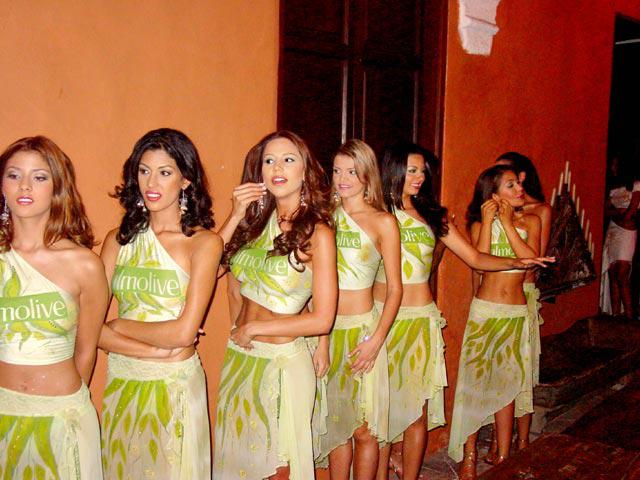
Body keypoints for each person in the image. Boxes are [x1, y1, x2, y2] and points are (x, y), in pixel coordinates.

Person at [374, 144, 550, 480]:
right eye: (412, 170)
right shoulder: (376, 214)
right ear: (393, 170)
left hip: (420, 319)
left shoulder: (433, 216)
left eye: (423, 171)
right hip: (382, 317)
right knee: (380, 410)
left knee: (417, 411)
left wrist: (517, 261)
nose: (420, 177)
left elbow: (475, 258)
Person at [213, 130, 337, 480]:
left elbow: (322, 319)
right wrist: (235, 215)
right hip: (242, 357)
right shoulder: (253, 225)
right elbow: (211, 271)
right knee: (242, 460)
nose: (277, 167)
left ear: (305, 172)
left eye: (288, 159)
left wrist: (255, 327)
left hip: (282, 364)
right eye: (269, 161)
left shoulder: (318, 233)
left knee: (278, 467)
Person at [99, 128, 221, 479]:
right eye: (144, 170)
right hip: (123, 381)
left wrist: (118, 326)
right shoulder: (117, 241)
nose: (151, 183)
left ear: (185, 180)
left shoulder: (203, 243)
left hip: (174, 387)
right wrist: (153, 350)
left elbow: (184, 332)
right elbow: (88, 328)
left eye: (164, 172)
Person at [0, 136, 108, 478]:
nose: (25, 186)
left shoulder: (84, 264)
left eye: (39, 176)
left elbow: (86, 351)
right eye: (14, 175)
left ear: (57, 188)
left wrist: (67, 408)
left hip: (64, 416)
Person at [448, 164, 542, 479]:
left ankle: (503, 455)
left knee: (508, 385)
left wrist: (508, 223)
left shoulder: (531, 221)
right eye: (511, 185)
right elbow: (480, 263)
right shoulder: (479, 224)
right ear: (493, 193)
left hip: (515, 312)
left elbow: (529, 261)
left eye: (518, 184)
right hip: (485, 311)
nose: (520, 190)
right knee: (475, 384)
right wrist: (489, 222)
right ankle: (469, 453)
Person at [315, 139, 402, 479]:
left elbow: (394, 288)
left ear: (367, 175)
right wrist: (319, 340)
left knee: (365, 429)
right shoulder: (323, 219)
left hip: (364, 332)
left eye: (351, 172)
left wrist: (377, 340)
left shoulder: (383, 222)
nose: (342, 179)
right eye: (337, 171)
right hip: (326, 331)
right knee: (337, 424)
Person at [489, 151, 552, 454]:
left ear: (522, 177)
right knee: (498, 370)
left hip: (523, 292)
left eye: (509, 177)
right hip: (496, 297)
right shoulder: (493, 212)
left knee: (522, 371)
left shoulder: (538, 211)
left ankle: (523, 441)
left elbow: (534, 261)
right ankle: (498, 439)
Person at [600, 159, 640, 318]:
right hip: (613, 230)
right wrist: (618, 214)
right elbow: (605, 210)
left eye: (615, 164)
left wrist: (620, 215)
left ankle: (629, 314)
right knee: (613, 272)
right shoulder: (614, 188)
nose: (612, 167)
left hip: (626, 232)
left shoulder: (636, 185)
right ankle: (615, 314)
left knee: (622, 274)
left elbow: (632, 210)